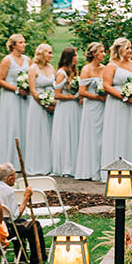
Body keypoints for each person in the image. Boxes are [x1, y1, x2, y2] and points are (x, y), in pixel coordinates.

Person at [100, 38, 132, 169]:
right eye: (127, 48)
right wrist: (124, 97)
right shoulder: (111, 66)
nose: (130, 50)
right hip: (118, 105)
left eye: (130, 48)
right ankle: (117, 166)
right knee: (119, 133)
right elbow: (106, 86)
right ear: (119, 50)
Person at [0, 33, 31, 167]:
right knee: (12, 125)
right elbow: (0, 80)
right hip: (11, 97)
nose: (24, 45)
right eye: (21, 42)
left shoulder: (28, 60)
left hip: (25, 97)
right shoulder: (7, 60)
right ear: (13, 45)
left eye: (24, 42)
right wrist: (16, 88)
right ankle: (10, 160)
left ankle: (25, 160)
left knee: (24, 124)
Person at [22, 42, 58, 175]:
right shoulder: (33, 69)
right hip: (37, 106)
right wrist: (45, 104)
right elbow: (33, 91)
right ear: (42, 53)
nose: (51, 55)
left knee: (49, 134)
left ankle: (49, 165)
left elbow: (54, 87)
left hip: (51, 105)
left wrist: (53, 103)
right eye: (49, 52)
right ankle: (36, 166)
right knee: (38, 134)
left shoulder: (51, 68)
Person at [74, 42, 107, 182]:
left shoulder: (106, 69)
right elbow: (81, 91)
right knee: (92, 137)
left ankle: (102, 168)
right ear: (94, 54)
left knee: (103, 137)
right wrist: (97, 97)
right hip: (92, 106)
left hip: (104, 106)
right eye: (101, 52)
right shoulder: (86, 69)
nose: (104, 54)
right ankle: (89, 170)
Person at [49, 46, 81, 179]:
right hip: (65, 108)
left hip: (74, 109)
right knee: (65, 135)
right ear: (68, 57)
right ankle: (64, 166)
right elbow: (57, 95)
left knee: (74, 135)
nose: (77, 58)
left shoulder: (74, 71)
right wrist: (74, 97)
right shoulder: (62, 73)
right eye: (74, 56)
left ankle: (74, 165)